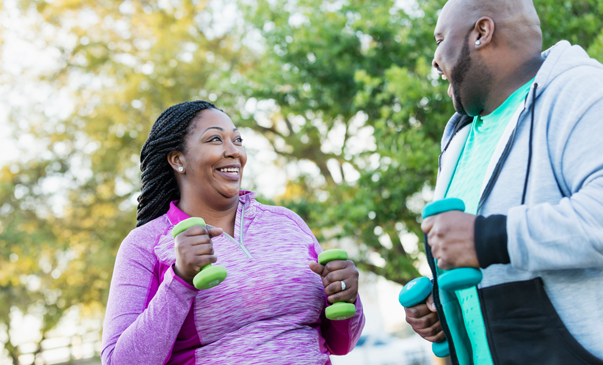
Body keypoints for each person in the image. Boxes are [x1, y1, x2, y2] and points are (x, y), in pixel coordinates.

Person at [404, 0, 603, 364]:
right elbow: (485, 259)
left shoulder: (584, 92)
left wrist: (486, 238)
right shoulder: (460, 140)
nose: (434, 59)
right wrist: (446, 307)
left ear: (481, 32)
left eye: (440, 39)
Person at [101, 101, 365, 364]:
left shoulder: (286, 222)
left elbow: (341, 343)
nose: (233, 151)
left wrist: (347, 298)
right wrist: (179, 280)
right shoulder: (145, 244)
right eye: (215, 139)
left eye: (237, 140)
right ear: (178, 159)